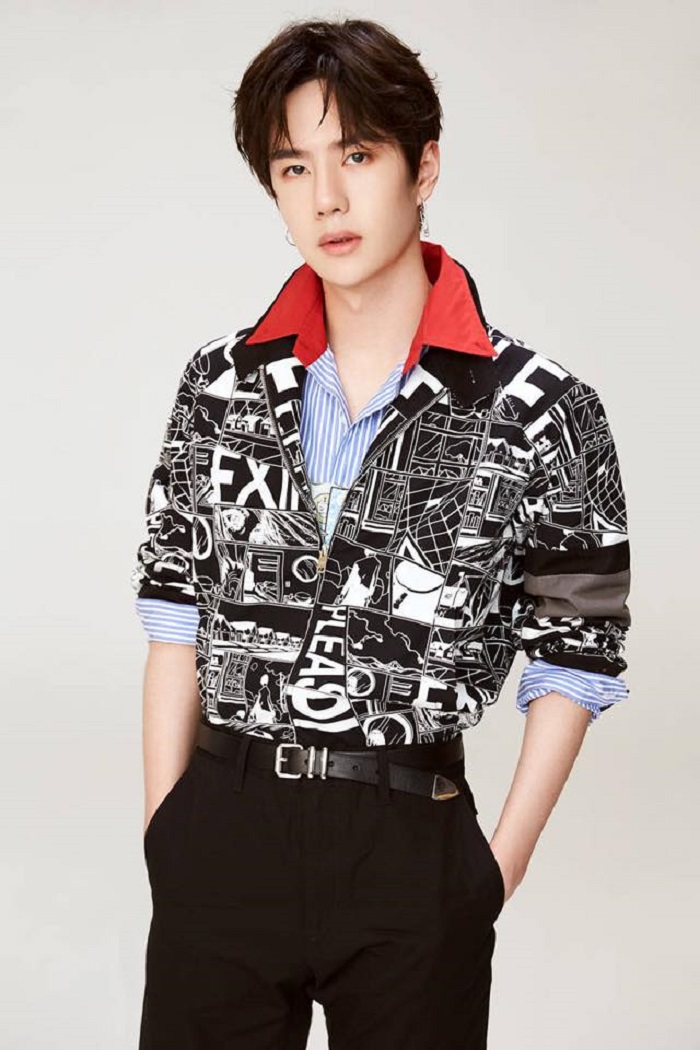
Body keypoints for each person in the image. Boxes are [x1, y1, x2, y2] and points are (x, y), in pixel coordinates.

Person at [131, 17, 632, 1049]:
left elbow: (577, 650)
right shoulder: (220, 385)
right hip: (225, 826)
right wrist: (167, 834)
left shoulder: (543, 411)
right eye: (294, 167)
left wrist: (493, 870)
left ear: (423, 166)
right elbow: (174, 608)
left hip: (411, 838)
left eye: (356, 155)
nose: (327, 197)